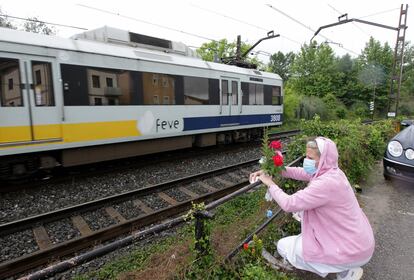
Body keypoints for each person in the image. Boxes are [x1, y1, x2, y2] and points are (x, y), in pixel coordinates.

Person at [249, 137, 375, 280]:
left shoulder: (326, 183)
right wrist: (276, 170)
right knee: (306, 241)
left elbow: (289, 204)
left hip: (352, 249)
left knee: (284, 246)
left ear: (323, 160)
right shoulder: (333, 172)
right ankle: (346, 270)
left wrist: (269, 183)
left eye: (310, 157)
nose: (306, 161)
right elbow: (302, 172)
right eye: (306, 156)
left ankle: (344, 269)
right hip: (360, 242)